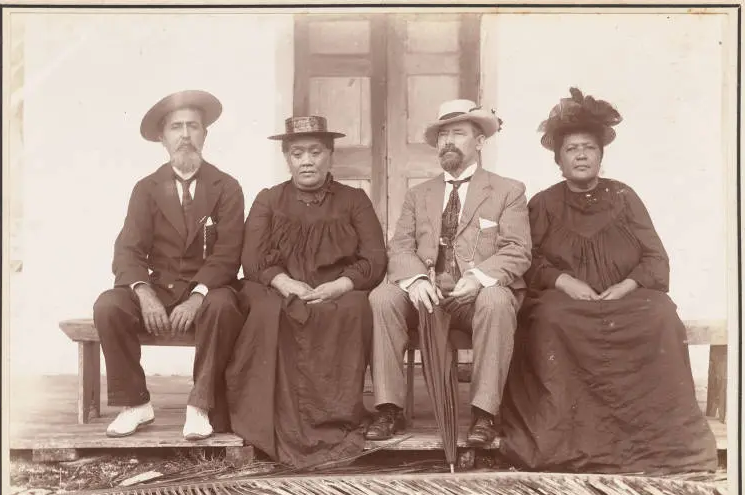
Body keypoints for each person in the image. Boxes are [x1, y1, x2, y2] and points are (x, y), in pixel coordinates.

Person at [499, 87, 718, 474]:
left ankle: (651, 441)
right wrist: (565, 282)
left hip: (624, 299)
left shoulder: (624, 196)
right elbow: (527, 260)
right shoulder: (544, 203)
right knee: (550, 318)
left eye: (588, 148)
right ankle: (567, 440)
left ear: (601, 155)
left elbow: (655, 257)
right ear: (559, 160)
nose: (581, 155)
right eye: (571, 149)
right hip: (565, 302)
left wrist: (627, 286)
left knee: (661, 313)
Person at [224, 116, 387, 468]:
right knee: (268, 311)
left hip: (337, 290)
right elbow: (251, 260)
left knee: (354, 307)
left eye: (315, 151)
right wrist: (285, 283)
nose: (307, 160)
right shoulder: (269, 200)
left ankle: (335, 416)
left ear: (330, 155)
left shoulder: (354, 200)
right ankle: (270, 421)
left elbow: (375, 258)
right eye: (298, 153)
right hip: (281, 288)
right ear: (288, 158)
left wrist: (340, 285)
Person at [366, 99, 532, 446]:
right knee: (383, 297)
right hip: (428, 293)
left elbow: (517, 249)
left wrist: (478, 278)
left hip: (476, 298)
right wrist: (415, 280)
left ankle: (484, 414)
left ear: (480, 141)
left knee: (498, 300)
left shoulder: (508, 190)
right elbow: (400, 246)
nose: (448, 142)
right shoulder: (418, 194)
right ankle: (388, 409)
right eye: (443, 135)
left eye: (458, 133)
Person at [94, 90, 246, 441]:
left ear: (205, 134)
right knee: (108, 306)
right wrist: (144, 292)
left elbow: (229, 252)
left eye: (193, 126)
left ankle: (200, 405)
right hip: (159, 288)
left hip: (209, 289)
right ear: (162, 139)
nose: (185, 135)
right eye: (176, 127)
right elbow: (128, 250)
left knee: (223, 306)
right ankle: (135, 404)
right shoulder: (146, 189)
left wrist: (197, 296)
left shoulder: (227, 187)